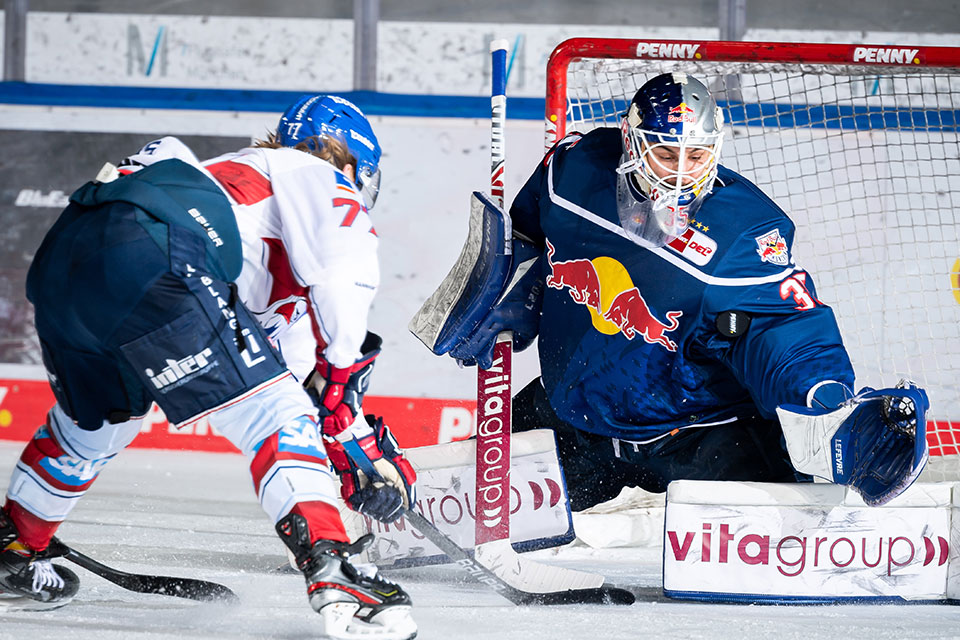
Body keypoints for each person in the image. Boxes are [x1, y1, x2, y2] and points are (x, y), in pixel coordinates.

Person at [0, 95, 417, 640]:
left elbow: (293, 381)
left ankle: (15, 545)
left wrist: (348, 440)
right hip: (158, 250)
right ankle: (336, 570)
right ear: (348, 162)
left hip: (65, 260)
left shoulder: (237, 184)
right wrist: (341, 382)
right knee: (274, 415)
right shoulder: (317, 173)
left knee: (99, 422)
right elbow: (348, 278)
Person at [428, 72, 928, 513]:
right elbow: (531, 230)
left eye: (698, 155)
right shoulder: (573, 173)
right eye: (667, 153)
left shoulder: (744, 233)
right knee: (446, 511)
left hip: (700, 435)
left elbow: (787, 335)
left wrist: (829, 404)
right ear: (631, 142)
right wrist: (512, 281)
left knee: (796, 543)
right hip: (578, 417)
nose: (682, 171)